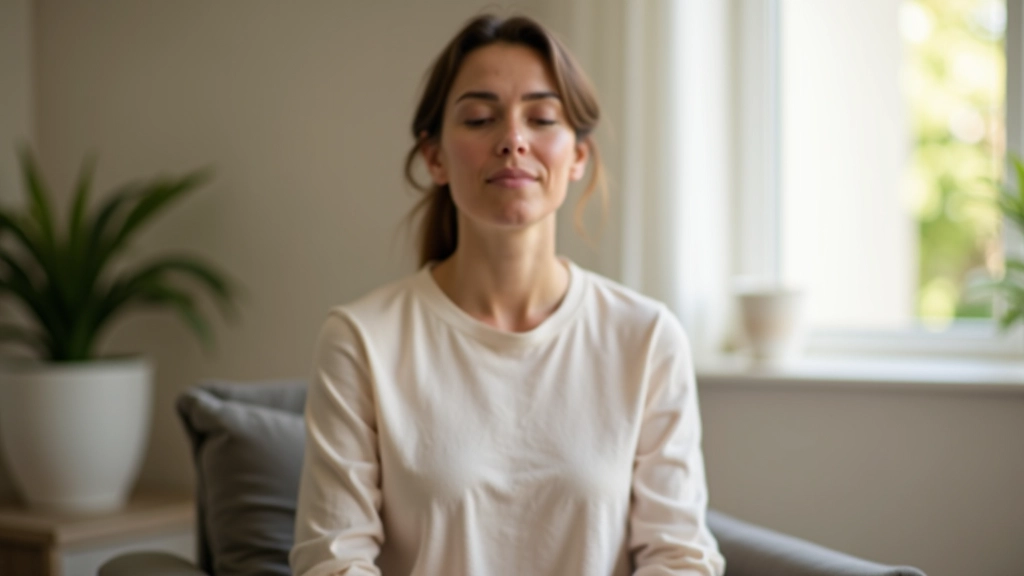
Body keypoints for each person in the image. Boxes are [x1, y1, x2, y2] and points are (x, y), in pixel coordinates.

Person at [290, 13, 725, 576]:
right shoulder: (361, 339)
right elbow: (332, 559)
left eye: (542, 118)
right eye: (479, 118)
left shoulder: (646, 337)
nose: (513, 141)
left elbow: (679, 556)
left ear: (577, 157)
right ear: (435, 157)